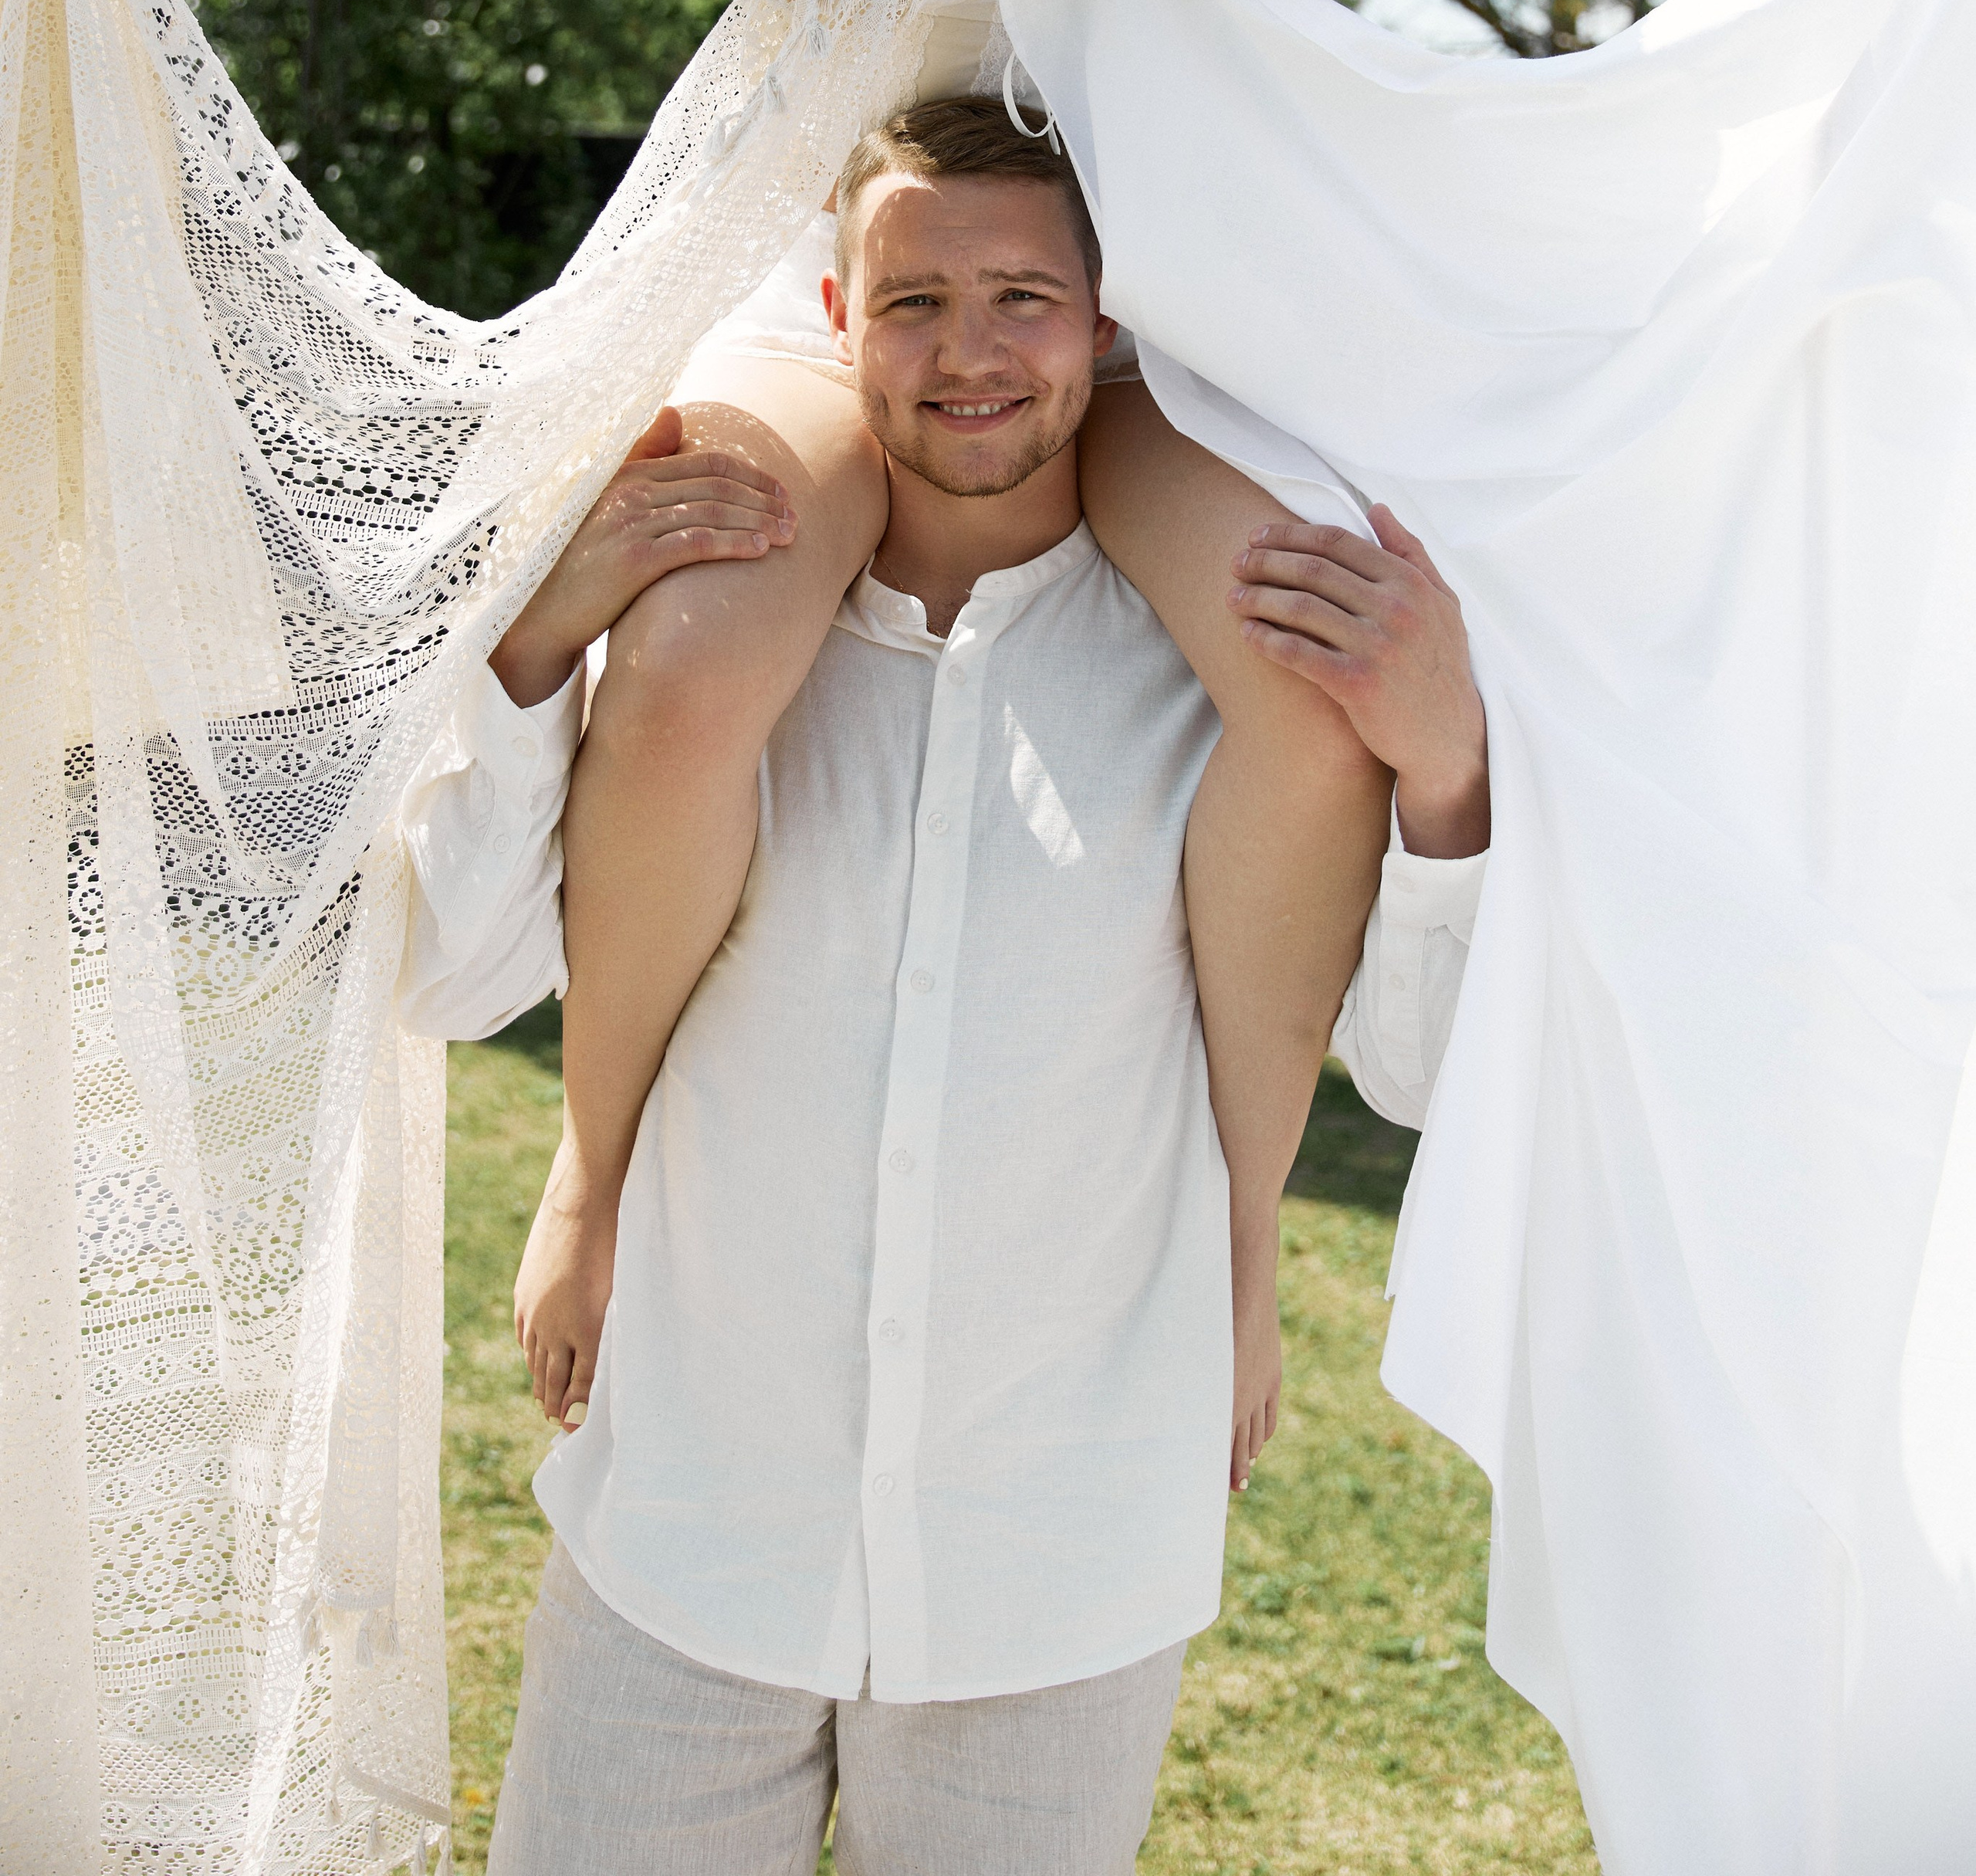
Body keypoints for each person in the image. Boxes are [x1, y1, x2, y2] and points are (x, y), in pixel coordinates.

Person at [512, 0, 1450, 1488]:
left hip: (1157, 314)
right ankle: (593, 1162)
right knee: (708, 634)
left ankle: (1240, 1255)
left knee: (1309, 667)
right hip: (860, 270)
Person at [398, 98, 1489, 1874]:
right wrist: (534, 641)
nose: (966, 356)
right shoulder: (711, 654)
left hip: (1054, 1576)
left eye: (1020, 301)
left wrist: (1444, 771)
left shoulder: (1234, 693)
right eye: (910, 302)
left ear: (1110, 324)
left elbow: (1417, 1074)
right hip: (684, 1527)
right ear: (832, 317)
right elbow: (455, 978)